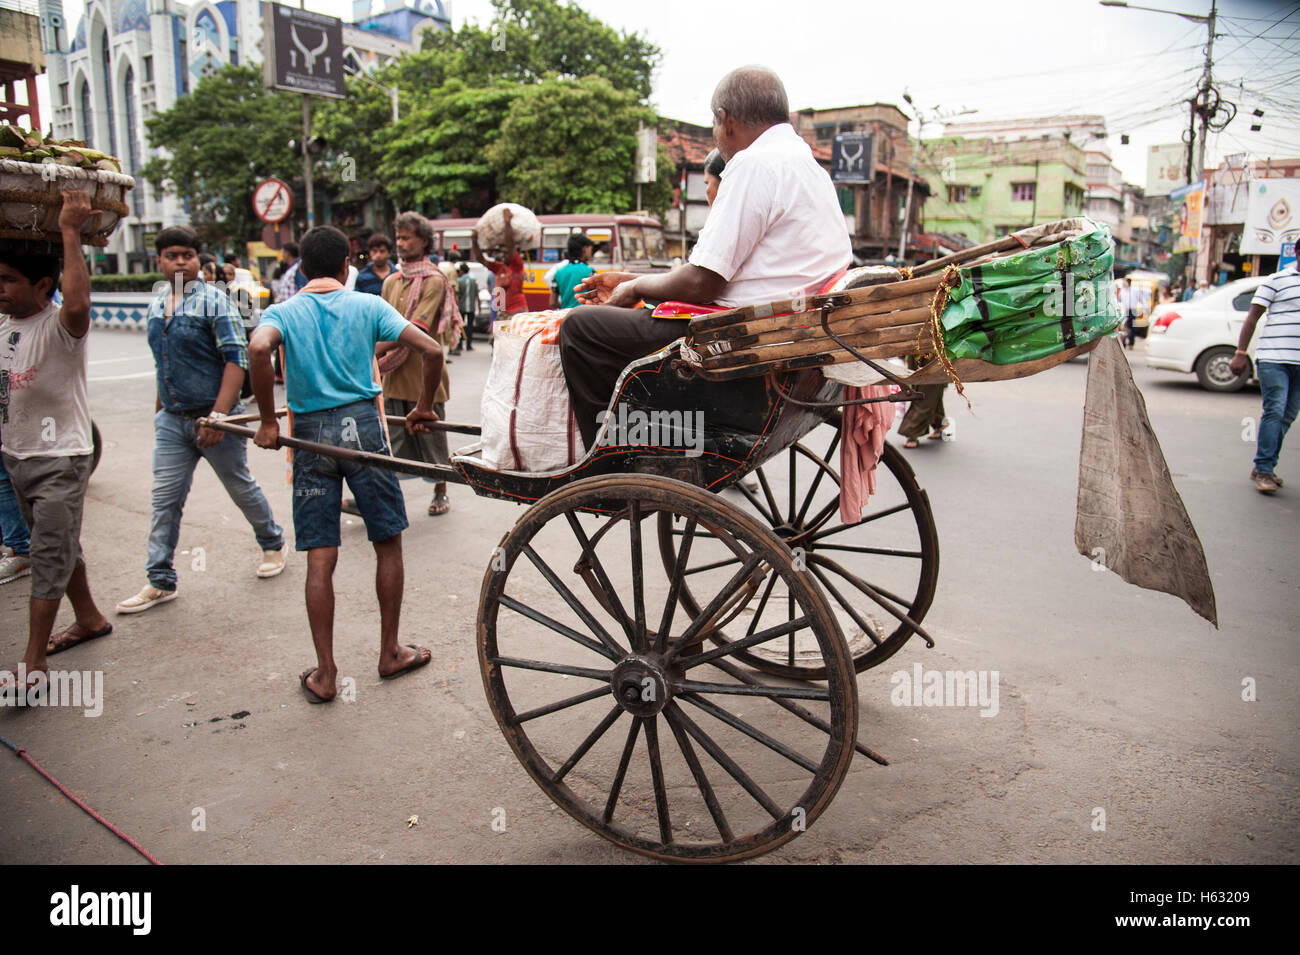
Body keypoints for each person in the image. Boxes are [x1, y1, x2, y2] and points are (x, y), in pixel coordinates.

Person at [558, 65, 851, 449]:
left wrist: (634, 287)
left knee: (581, 329)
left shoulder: (753, 164)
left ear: (724, 120)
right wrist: (632, 281)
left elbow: (702, 281)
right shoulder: (809, 167)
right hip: (785, 335)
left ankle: (611, 452)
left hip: (742, 342)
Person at [248, 226, 444, 702]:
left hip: (311, 435)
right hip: (365, 431)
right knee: (388, 542)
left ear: (303, 270)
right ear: (345, 266)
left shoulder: (284, 310)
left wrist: (271, 422)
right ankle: (390, 652)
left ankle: (327, 673)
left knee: (321, 554)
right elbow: (433, 350)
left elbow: (257, 348)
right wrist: (422, 408)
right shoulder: (368, 304)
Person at [116, 226, 285, 615]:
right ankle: (159, 579)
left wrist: (218, 416)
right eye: (172, 256)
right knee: (165, 500)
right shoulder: (158, 303)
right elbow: (163, 362)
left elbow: (236, 360)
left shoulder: (214, 303)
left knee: (239, 486)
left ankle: (273, 543)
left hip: (217, 421)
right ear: (159, 261)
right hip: (173, 421)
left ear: (198, 259)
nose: (180, 262)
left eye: (187, 255)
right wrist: (161, 408)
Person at [0, 188, 112, 684]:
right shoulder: (5, 325)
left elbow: (80, 298)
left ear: (44, 285)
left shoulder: (62, 326)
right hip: (17, 458)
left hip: (61, 458)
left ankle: (32, 661)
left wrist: (69, 231)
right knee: (61, 545)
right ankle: (89, 617)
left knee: (47, 554)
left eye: (8, 280)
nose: (0, 288)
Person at [372, 211, 459, 516]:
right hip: (394, 374)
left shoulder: (434, 280)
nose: (401, 243)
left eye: (407, 237)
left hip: (425, 374)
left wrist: (370, 350)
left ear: (423, 241)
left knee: (433, 440)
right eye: (398, 237)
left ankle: (441, 491)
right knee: (393, 440)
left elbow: (417, 328)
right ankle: (384, 495)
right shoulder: (392, 281)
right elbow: (383, 322)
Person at [1231, 258, 1300, 494]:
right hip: (1274, 358)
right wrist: (1240, 353)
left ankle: (1263, 461)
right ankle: (1264, 470)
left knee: (1287, 416)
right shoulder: (1277, 280)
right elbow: (1252, 317)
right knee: (1275, 410)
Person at [474, 208, 527, 318]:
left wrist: (507, 223)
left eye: (506, 253)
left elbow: (510, 245)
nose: (503, 255)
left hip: (516, 312)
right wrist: (474, 241)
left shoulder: (516, 265)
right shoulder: (499, 268)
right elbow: (481, 260)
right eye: (501, 253)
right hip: (502, 312)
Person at [551, 234, 596, 310]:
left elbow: (552, 303)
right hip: (584, 315)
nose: (591, 252)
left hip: (565, 316)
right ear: (585, 249)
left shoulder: (559, 272)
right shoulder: (590, 272)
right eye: (590, 249)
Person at [457, 262, 479, 350]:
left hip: (461, 307)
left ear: (461, 271)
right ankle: (468, 345)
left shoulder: (459, 281)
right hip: (471, 307)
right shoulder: (474, 281)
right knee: (470, 327)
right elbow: (477, 295)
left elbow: (457, 295)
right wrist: (479, 307)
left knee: (460, 326)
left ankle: (459, 345)